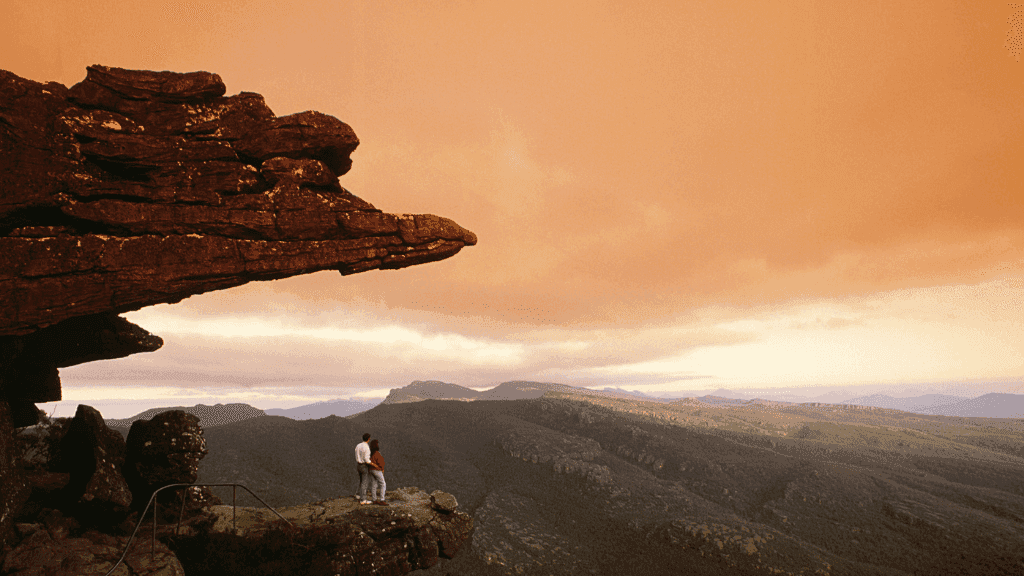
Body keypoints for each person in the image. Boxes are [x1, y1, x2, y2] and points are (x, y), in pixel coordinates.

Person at [368, 438, 388, 506]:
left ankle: (374, 500)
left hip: (371, 470)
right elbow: (381, 462)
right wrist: (382, 469)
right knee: (383, 484)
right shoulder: (377, 453)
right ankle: (382, 500)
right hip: (377, 470)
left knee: (374, 485)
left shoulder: (371, 453)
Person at [354, 432, 372, 504]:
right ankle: (363, 499)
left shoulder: (358, 445)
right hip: (364, 466)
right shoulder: (366, 447)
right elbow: (367, 460)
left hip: (358, 465)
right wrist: (373, 464)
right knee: (365, 482)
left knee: (361, 480)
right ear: (368, 439)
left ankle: (358, 494)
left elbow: (356, 454)